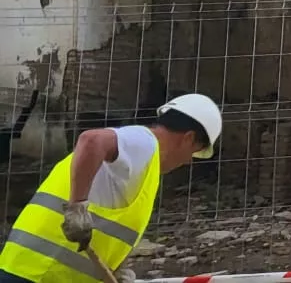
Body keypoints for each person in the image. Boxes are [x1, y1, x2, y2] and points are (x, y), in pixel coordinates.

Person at [1, 95, 222, 283]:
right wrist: (77, 207)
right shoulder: (144, 142)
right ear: (189, 138)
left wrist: (115, 266)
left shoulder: (144, 163)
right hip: (35, 273)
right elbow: (91, 140)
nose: (189, 161)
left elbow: (108, 220)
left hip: (40, 272)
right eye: (195, 152)